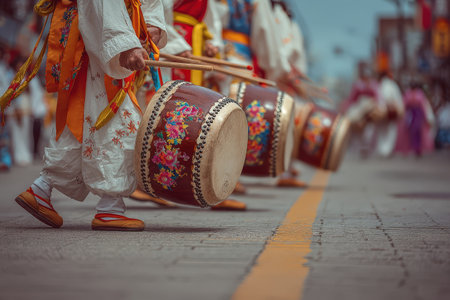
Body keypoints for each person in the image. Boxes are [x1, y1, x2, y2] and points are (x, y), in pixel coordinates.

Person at [9, 0, 167, 231]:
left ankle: (41, 189)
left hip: (103, 46)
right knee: (121, 125)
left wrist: (152, 25)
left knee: (84, 126)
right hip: (100, 47)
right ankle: (110, 209)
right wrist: (126, 47)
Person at [396, 82, 435, 157]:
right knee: (409, 131)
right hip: (410, 114)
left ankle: (418, 148)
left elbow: (423, 105)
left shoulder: (419, 94)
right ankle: (409, 148)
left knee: (418, 131)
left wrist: (426, 117)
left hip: (418, 114)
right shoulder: (408, 94)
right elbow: (404, 104)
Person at [375, 71, 404, 157]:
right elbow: (398, 98)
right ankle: (386, 150)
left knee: (382, 130)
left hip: (381, 110)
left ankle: (382, 149)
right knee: (390, 130)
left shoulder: (379, 85)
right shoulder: (392, 85)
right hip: (390, 109)